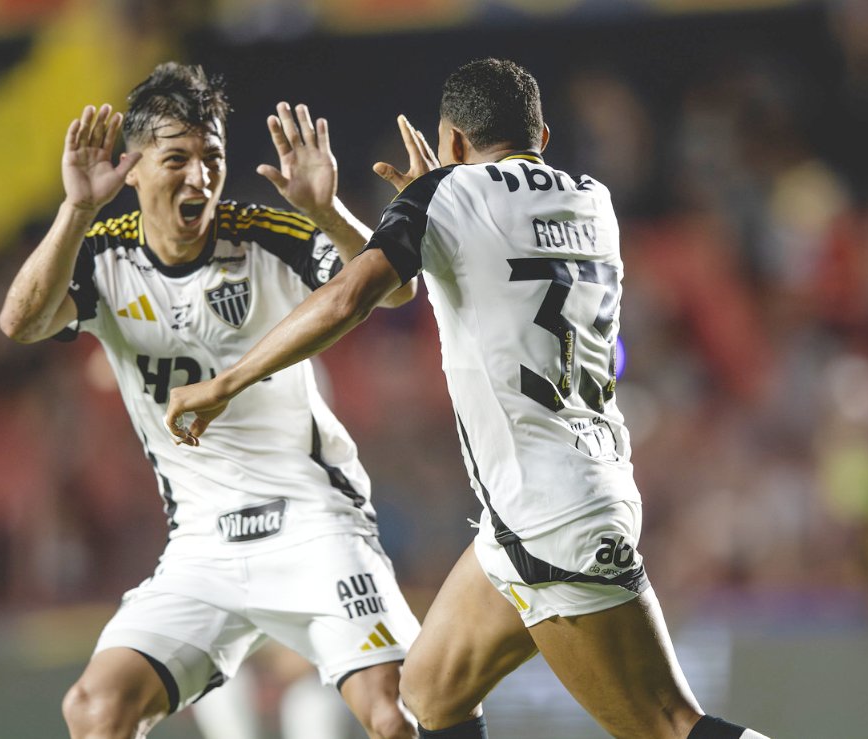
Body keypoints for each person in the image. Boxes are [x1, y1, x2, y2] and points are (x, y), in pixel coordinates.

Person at [165, 58, 772, 739]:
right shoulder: (591, 199)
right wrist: (383, 207)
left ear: (451, 142)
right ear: (540, 134)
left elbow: (353, 295)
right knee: (429, 693)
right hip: (549, 502)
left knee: (666, 725)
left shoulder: (447, 197)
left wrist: (227, 381)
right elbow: (405, 282)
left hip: (548, 515)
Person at [0, 62, 422, 739]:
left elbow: (393, 289)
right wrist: (76, 210)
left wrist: (326, 212)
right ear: (130, 169)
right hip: (202, 548)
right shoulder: (101, 256)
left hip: (315, 524)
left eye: (212, 157)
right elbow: (19, 323)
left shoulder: (262, 236)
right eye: (177, 158)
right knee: (95, 708)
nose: (199, 176)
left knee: (396, 715)